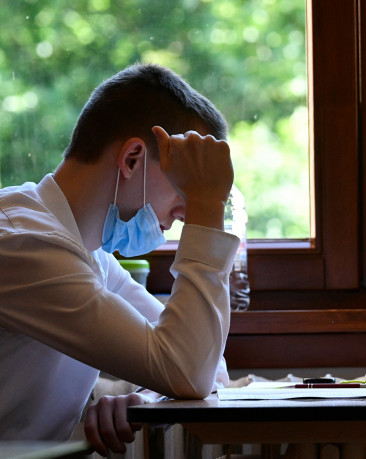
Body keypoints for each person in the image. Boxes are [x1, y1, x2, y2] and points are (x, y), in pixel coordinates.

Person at [0, 63, 238, 455]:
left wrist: (147, 396)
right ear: (132, 158)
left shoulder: (91, 259)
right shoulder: (25, 245)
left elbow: (210, 366)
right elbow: (189, 370)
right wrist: (207, 206)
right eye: (186, 183)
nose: (184, 212)